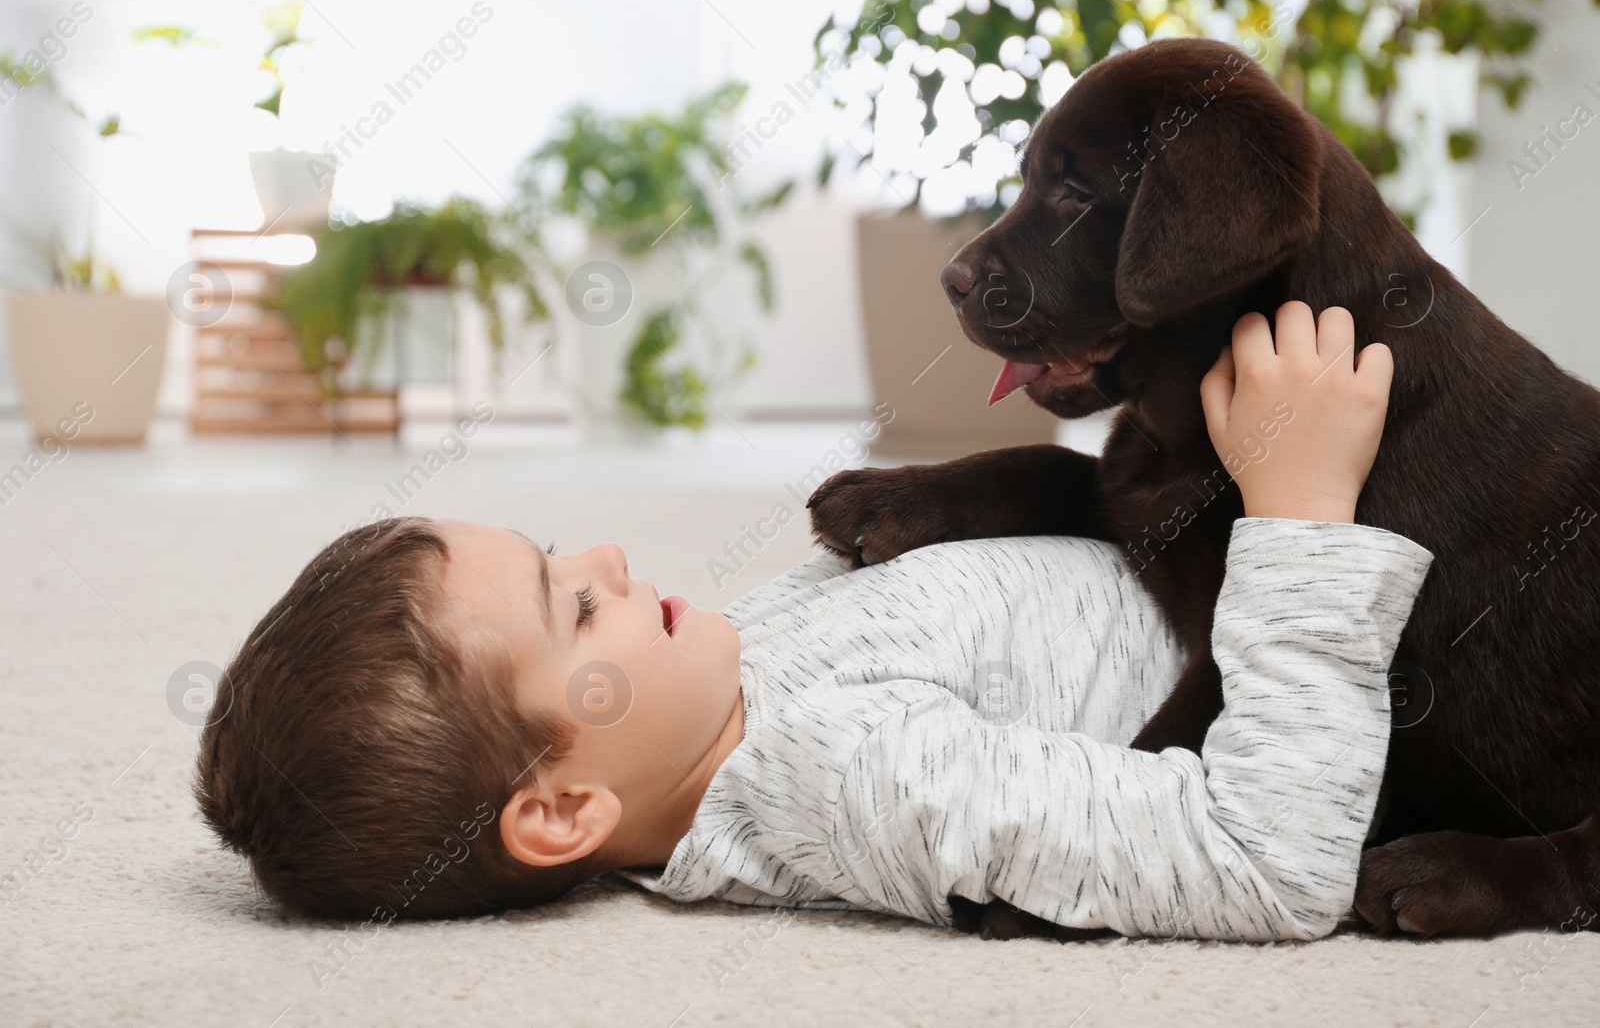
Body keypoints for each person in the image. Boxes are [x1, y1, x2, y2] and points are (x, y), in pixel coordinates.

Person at [195, 300, 1429, 942]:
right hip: (1410, 670)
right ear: (562, 808)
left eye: (562, 553)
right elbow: (1267, 860)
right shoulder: (843, 777)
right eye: (571, 603)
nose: (610, 556)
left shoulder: (723, 683)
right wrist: (1302, 510)